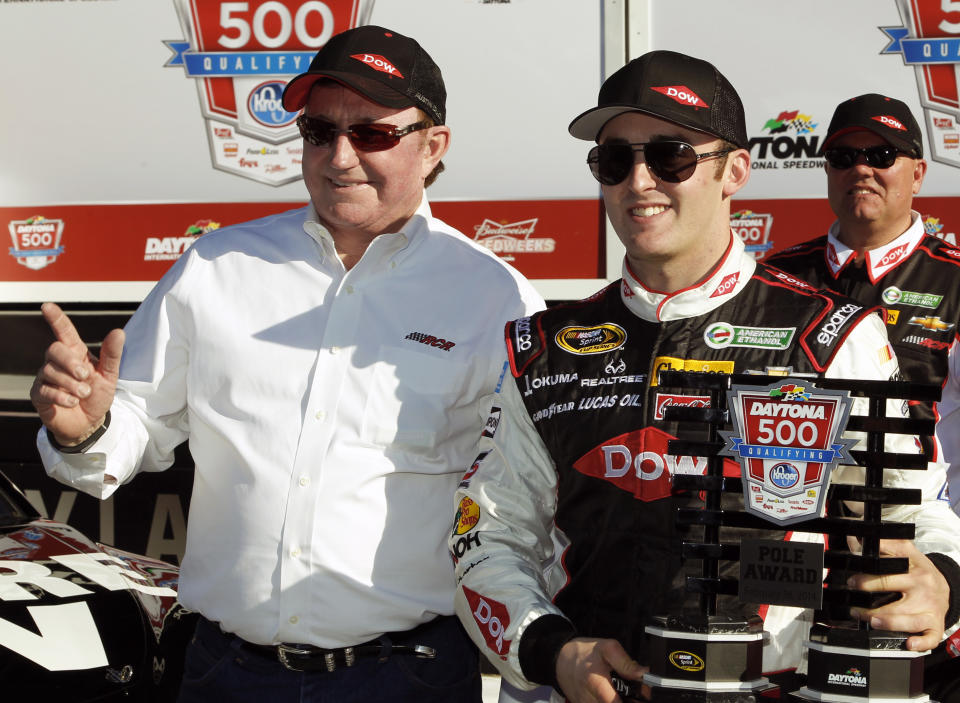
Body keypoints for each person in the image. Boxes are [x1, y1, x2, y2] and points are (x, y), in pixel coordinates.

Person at [29, 25, 544, 703]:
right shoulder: (216, 267)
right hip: (222, 672)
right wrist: (86, 427)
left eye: (373, 134)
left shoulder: (495, 297)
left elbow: (530, 507)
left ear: (433, 146)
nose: (340, 156)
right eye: (318, 130)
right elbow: (130, 436)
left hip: (407, 676)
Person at [448, 52, 960, 703]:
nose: (639, 180)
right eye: (614, 159)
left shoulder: (832, 334)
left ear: (734, 171)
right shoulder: (545, 350)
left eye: (671, 156)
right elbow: (485, 537)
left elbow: (916, 507)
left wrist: (941, 578)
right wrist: (554, 649)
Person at [767, 91, 960, 700]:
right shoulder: (773, 278)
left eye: (882, 153)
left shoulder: (955, 276)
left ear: (918, 173)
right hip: (791, 577)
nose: (861, 169)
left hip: (926, 566)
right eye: (843, 156)